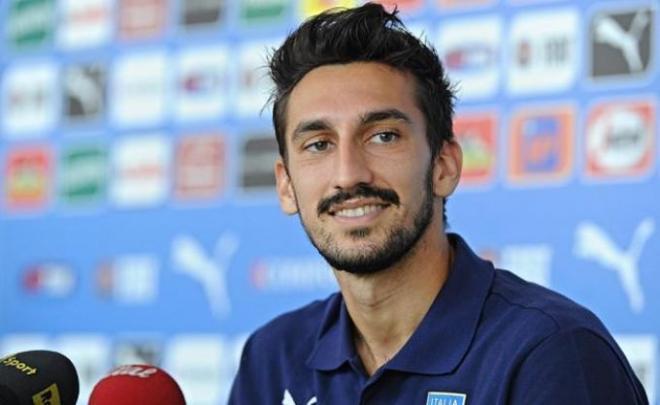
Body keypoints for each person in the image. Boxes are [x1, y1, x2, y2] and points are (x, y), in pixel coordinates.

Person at [228, 3, 649, 404]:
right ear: (286, 186)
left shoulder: (551, 353)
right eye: (318, 144)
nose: (348, 174)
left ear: (444, 166)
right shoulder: (272, 358)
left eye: (383, 136)